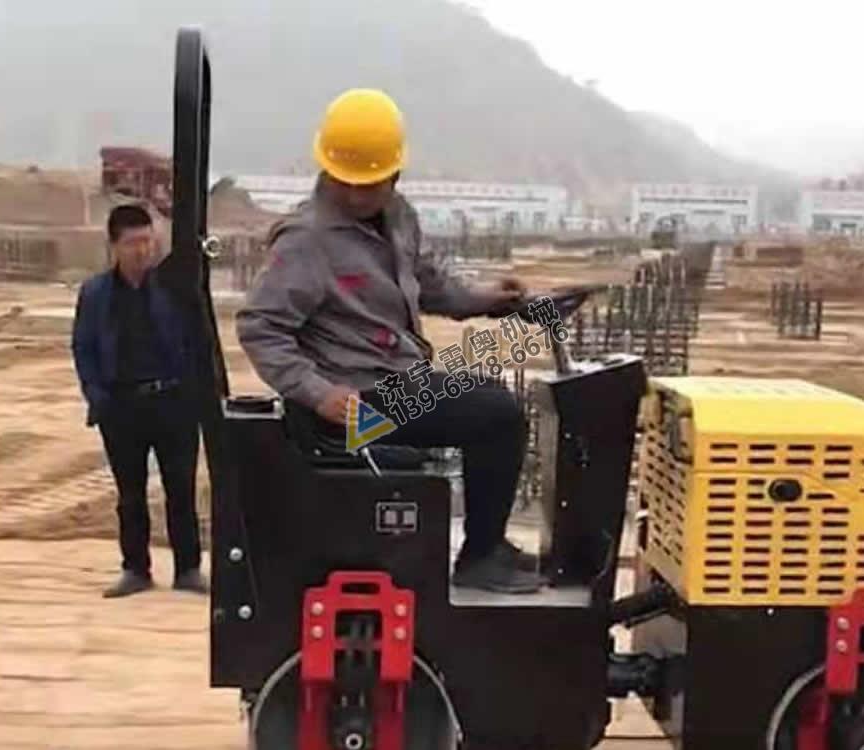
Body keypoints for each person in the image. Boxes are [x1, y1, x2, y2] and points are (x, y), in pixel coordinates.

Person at [236, 89, 545, 594]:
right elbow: (260, 327)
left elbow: (428, 284)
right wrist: (321, 394)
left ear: (395, 174)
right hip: (355, 408)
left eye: (370, 185)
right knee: (498, 416)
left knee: (491, 399)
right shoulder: (307, 240)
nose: (357, 196)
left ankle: (488, 543)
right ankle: (481, 557)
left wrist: (487, 300)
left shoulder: (398, 217)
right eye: (347, 183)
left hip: (394, 382)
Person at [71, 203, 208, 598]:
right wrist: (97, 396)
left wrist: (197, 395)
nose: (143, 250)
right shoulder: (95, 293)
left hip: (173, 402)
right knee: (130, 494)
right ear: (114, 246)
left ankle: (188, 569)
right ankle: (135, 569)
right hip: (121, 406)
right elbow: (83, 347)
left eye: (148, 241)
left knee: (180, 489)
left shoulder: (174, 287)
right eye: (133, 243)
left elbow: (199, 342)